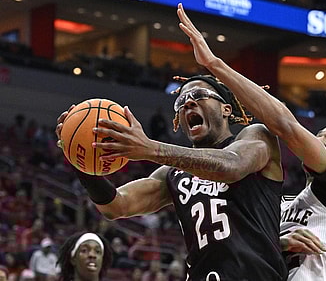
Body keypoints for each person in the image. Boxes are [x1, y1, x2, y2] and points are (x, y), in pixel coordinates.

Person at [176, 3, 326, 281]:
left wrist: (214, 65)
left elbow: (285, 125)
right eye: (319, 135)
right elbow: (252, 249)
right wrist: (280, 242)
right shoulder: (283, 203)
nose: (318, 141)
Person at [56, 73, 288, 280]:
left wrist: (150, 149)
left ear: (226, 108)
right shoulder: (173, 173)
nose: (188, 102)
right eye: (181, 102)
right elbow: (117, 206)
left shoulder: (256, 136)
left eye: (199, 94)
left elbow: (232, 167)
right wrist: (81, 160)